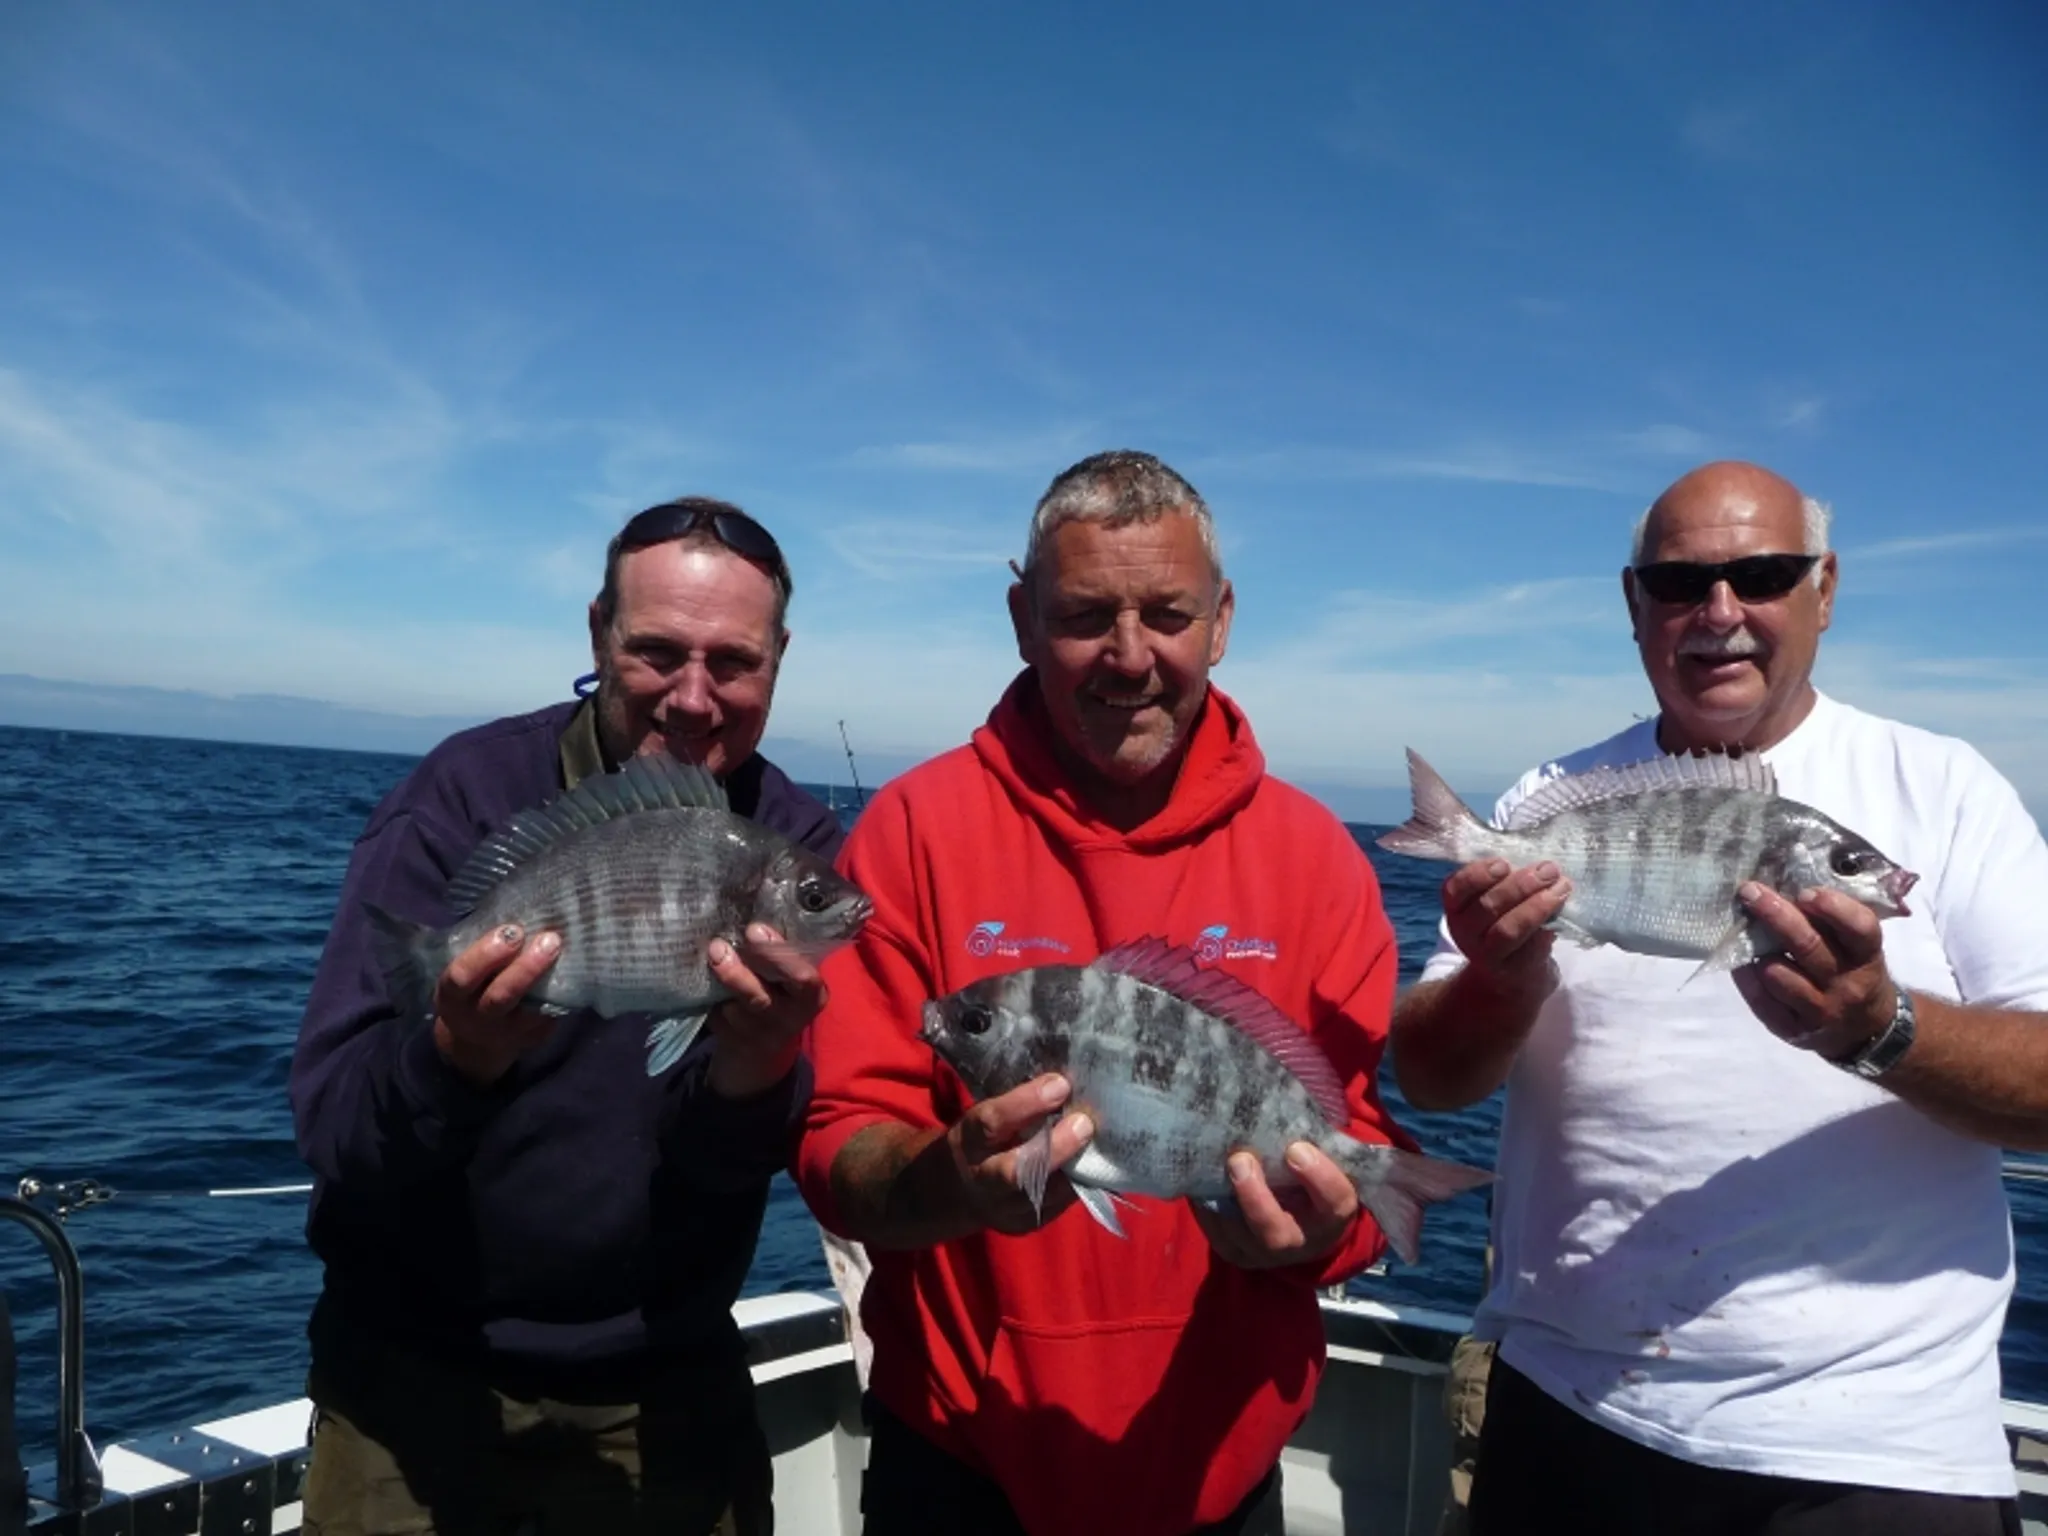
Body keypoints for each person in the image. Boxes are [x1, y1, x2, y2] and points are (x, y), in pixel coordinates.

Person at [1392, 461, 2048, 1535]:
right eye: (1678, 584)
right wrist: (1500, 984)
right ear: (1632, 603)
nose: (1720, 613)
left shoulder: (1945, 789)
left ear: (1823, 590)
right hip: (1563, 1411)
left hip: (1868, 1453)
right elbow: (1428, 1073)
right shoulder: (1539, 803)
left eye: (1762, 574)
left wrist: (1879, 1029)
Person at [795, 450, 1415, 1536]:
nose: (1128, 658)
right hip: (957, 1466)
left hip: (1216, 1480)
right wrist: (949, 1180)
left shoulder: (1318, 859)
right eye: (1085, 616)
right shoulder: (907, 830)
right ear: (1021, 617)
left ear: (1220, 620)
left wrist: (1312, 1234)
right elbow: (837, 1139)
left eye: (1166, 615)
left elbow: (1353, 1140)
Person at [290, 497, 844, 1536]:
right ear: (597, 634)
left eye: (732, 662)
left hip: (670, 1393)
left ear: (778, 659)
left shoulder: (791, 844)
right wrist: (455, 1059)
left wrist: (754, 1073)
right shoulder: (460, 797)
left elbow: (733, 1167)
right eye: (655, 653)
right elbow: (332, 1129)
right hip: (414, 1399)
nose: (692, 698)